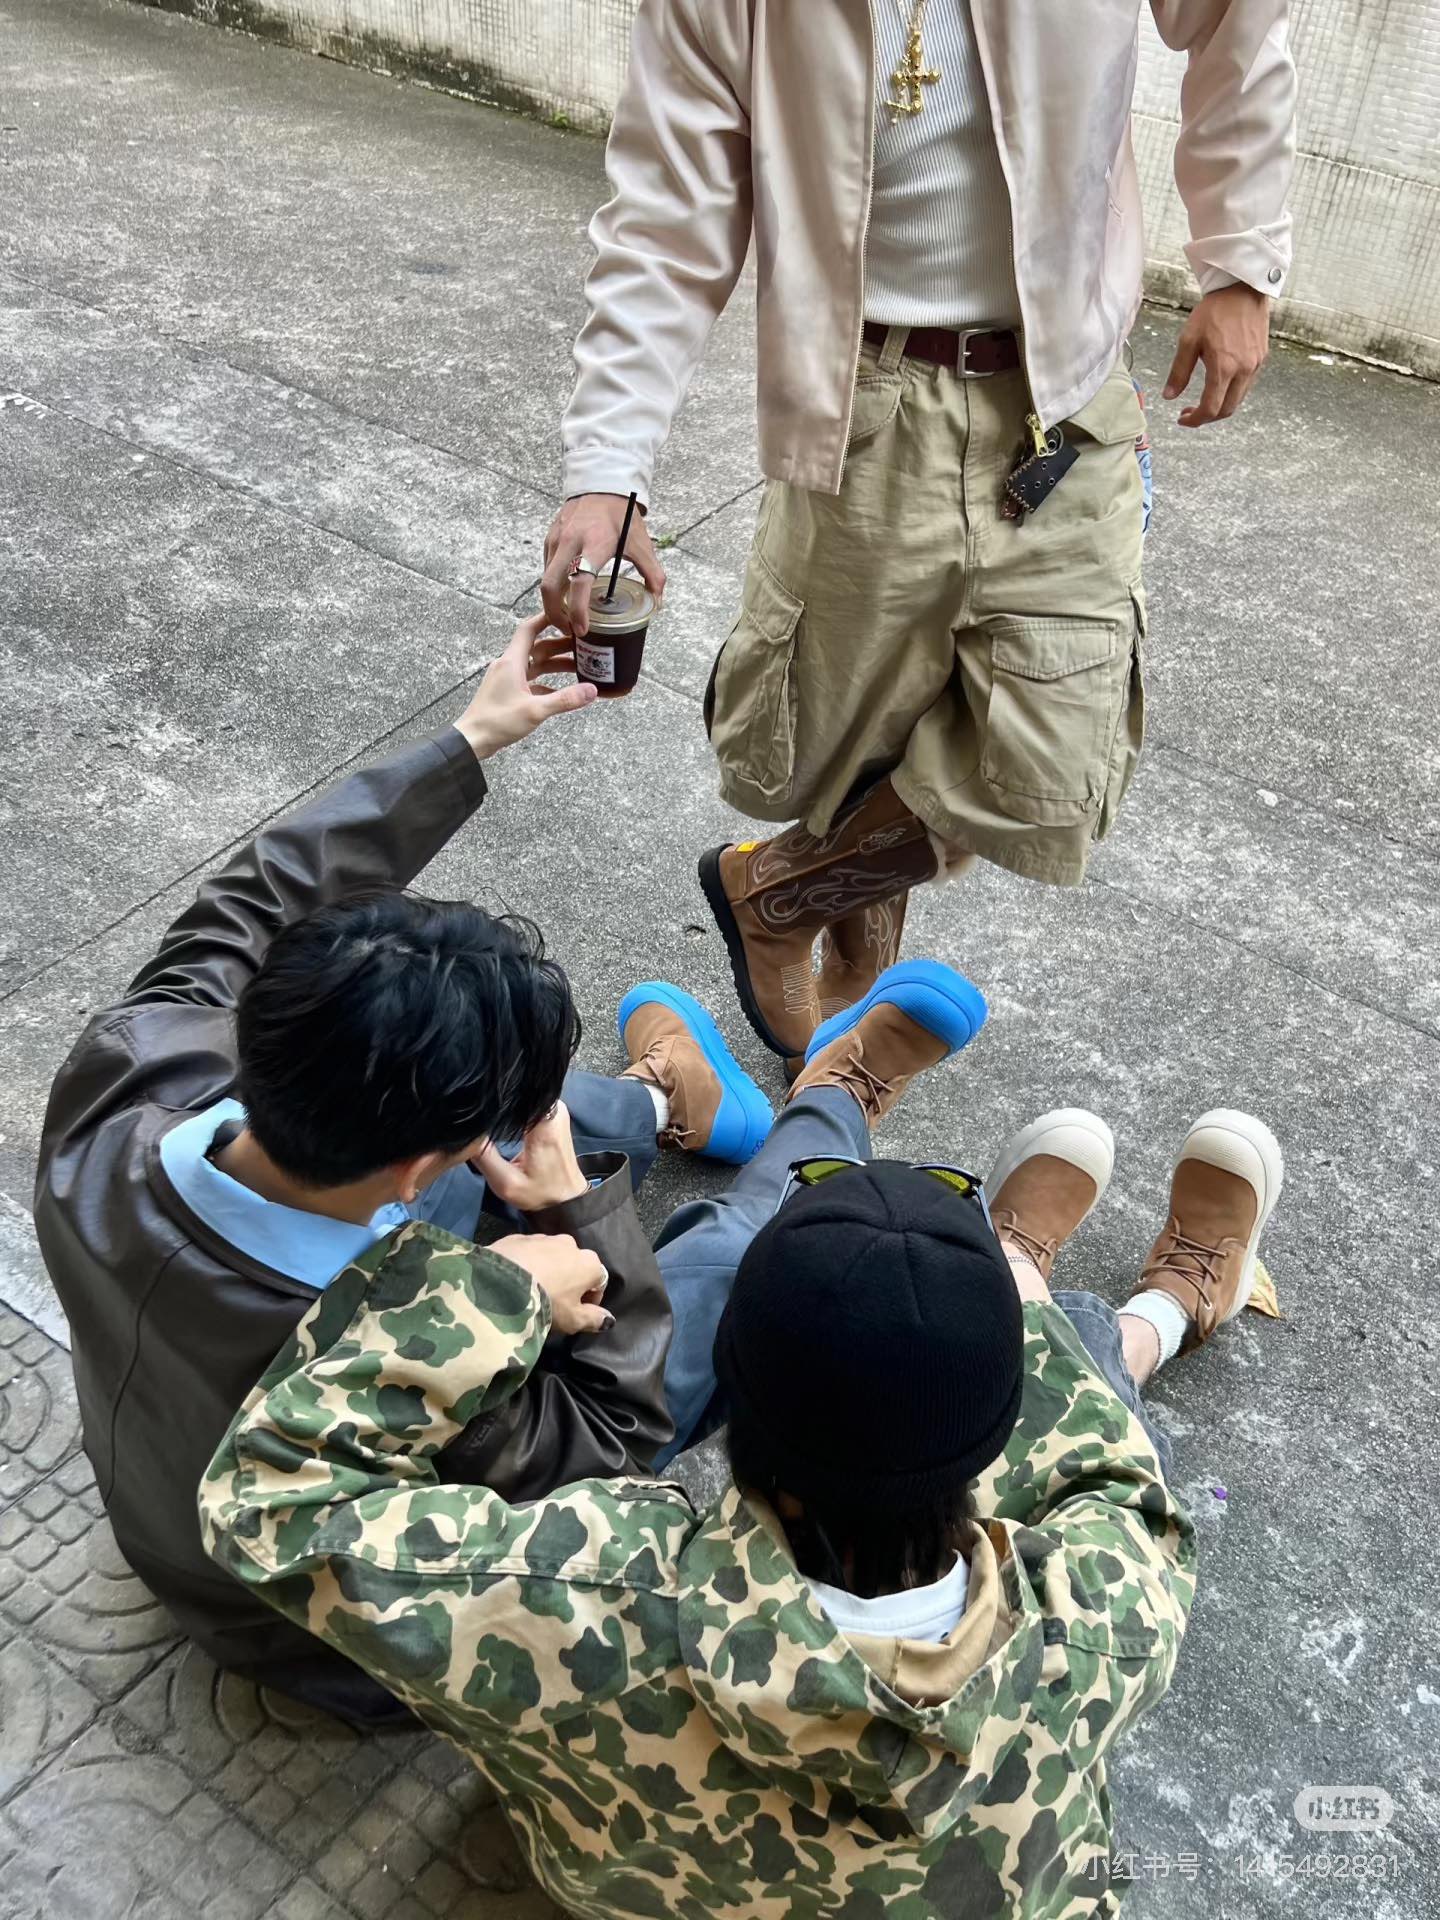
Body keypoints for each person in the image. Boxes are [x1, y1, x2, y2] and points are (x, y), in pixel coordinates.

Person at [200, 1048, 1284, 1913]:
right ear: (995, 1442)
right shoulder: (1104, 1618)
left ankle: (1081, 1293)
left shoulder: (572, 1602)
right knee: (1090, 1358)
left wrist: (493, 1292)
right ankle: (1146, 1312)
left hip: (634, 1887)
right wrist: (1012, 1317)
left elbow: (270, 1501)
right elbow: (1114, 1483)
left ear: (729, 1396)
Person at [33, 615, 774, 1725]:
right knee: (719, 1275)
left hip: (166, 1525)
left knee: (506, 1111)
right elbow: (612, 1440)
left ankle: (661, 1104)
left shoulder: (124, 1074)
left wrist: (470, 738)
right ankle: (821, 1133)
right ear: (426, 1167)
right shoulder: (415, 1360)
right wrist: (567, 1234)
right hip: (324, 1648)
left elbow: (255, 898)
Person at [542, 0, 1297, 1069]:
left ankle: (771, 895)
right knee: (846, 735)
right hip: (863, 397)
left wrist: (1241, 259)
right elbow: (670, 210)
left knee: (1052, 764)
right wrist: (608, 470)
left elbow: (1236, 18)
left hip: (1066, 398)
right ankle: (845, 966)